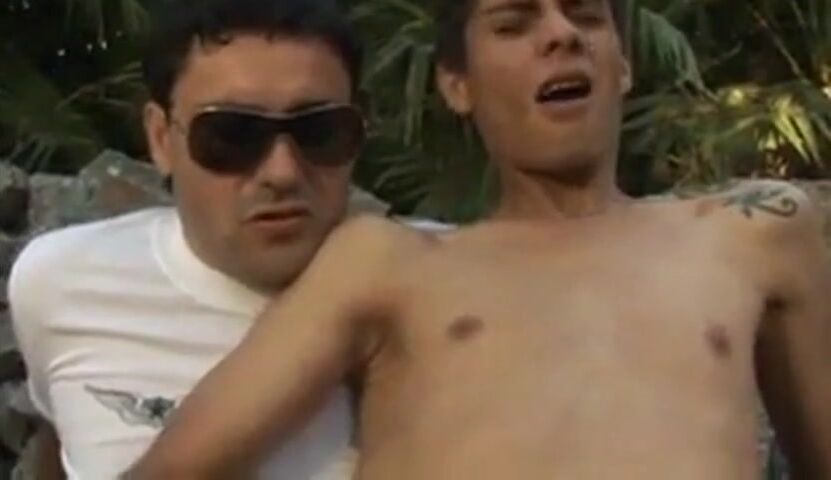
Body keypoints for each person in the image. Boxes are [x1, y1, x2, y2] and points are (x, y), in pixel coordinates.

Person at [127, 0, 831, 479]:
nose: (561, 34)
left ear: (622, 65)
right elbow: (173, 470)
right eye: (513, 23)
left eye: (586, 15)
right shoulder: (388, 263)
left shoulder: (753, 233)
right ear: (456, 85)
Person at [9, 0, 448, 478]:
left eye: (319, 131)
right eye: (232, 134)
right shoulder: (61, 282)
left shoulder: (461, 286)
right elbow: (60, 438)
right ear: (161, 138)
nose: (282, 172)